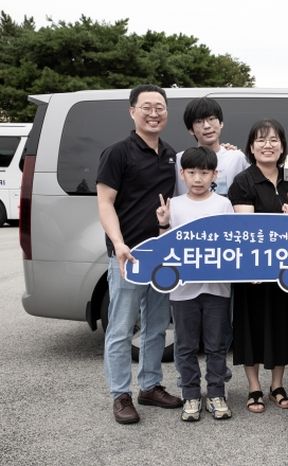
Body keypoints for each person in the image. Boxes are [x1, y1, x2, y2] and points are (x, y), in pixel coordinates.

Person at [96, 84, 183, 425]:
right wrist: (118, 244)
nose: (153, 112)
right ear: (132, 111)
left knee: (157, 326)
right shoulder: (117, 153)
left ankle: (150, 386)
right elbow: (104, 203)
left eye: (159, 107)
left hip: (160, 254)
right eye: (146, 106)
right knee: (120, 328)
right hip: (128, 256)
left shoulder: (170, 154)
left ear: (166, 112)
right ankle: (120, 395)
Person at [227, 118, 288, 413]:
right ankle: (254, 387)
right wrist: (254, 268)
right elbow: (247, 227)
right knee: (250, 325)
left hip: (285, 270)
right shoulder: (244, 181)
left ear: (283, 146)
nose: (268, 145)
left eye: (274, 140)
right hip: (253, 271)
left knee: (280, 324)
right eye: (261, 140)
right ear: (251, 146)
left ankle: (277, 384)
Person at [156, 146, 235, 422]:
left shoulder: (223, 204)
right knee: (185, 345)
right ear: (182, 173)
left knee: (216, 344)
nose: (198, 178)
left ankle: (216, 393)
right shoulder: (173, 204)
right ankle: (190, 394)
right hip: (182, 291)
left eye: (204, 172)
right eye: (192, 172)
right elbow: (164, 247)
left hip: (217, 289)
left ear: (215, 174)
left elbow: (233, 246)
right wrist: (164, 225)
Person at [175, 97, 249, 196]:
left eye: (211, 119)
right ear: (191, 130)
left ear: (221, 123)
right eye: (199, 121)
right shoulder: (179, 160)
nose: (206, 126)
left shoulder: (236, 158)